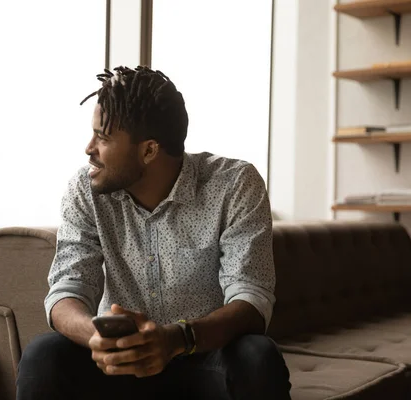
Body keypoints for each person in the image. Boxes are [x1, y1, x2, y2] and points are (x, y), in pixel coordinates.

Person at [17, 66, 291, 400]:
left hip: (201, 356)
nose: (89, 148)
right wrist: (96, 336)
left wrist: (175, 339)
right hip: (117, 361)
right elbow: (67, 289)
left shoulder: (233, 184)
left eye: (103, 137)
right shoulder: (85, 189)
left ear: (149, 150)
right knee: (44, 355)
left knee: (258, 356)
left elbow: (252, 300)